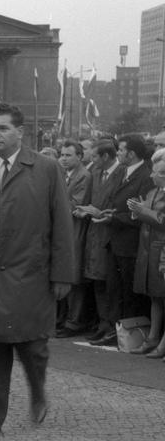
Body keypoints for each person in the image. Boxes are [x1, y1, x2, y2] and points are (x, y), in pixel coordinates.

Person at [0, 103, 75, 441]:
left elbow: (63, 225)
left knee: (33, 348)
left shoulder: (46, 169)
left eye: (2, 128)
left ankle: (38, 390)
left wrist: (62, 275)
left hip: (32, 276)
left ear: (20, 133)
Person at [90, 134, 154, 346]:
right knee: (114, 289)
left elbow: (141, 212)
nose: (118, 153)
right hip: (115, 240)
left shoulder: (145, 176)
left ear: (132, 153)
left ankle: (127, 332)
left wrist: (114, 217)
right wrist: (108, 212)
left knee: (127, 292)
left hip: (130, 243)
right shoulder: (124, 172)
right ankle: (113, 328)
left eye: (121, 150)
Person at [78, 140, 123, 342]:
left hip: (110, 234)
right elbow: (90, 199)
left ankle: (111, 325)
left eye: (95, 156)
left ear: (105, 156)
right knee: (96, 280)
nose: (92, 159)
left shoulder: (121, 174)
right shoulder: (95, 174)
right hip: (94, 233)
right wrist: (85, 210)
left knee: (109, 283)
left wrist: (100, 212)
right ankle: (102, 323)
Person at [126, 153, 165, 356]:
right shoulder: (153, 191)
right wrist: (137, 211)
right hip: (150, 251)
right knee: (155, 297)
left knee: (161, 296)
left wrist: (143, 212)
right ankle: (153, 339)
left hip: (160, 251)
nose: (151, 176)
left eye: (157, 173)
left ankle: (160, 344)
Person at [56, 141, 92, 337]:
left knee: (74, 278)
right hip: (63, 231)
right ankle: (61, 319)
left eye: (68, 155)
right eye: (62, 154)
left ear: (79, 156)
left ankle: (74, 322)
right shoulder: (62, 174)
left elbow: (75, 204)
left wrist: (54, 202)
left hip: (75, 232)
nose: (63, 158)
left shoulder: (84, 176)